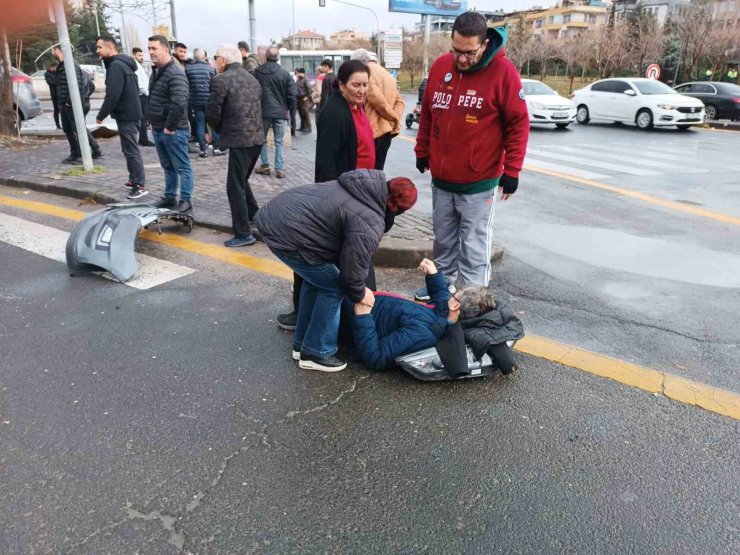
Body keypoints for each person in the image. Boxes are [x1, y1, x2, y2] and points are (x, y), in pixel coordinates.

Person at [414, 11, 529, 300]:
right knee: (444, 241)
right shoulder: (442, 66)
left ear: (484, 43)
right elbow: (428, 113)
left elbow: (518, 124)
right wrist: (422, 149)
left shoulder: (504, 73)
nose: (461, 59)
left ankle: (472, 298)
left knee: (475, 244)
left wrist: (512, 170)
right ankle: (441, 289)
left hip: (479, 181)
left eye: (468, 52)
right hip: (442, 179)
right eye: (456, 50)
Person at [255, 170, 418, 372]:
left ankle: (302, 344)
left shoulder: (362, 187)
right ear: (397, 209)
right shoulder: (369, 220)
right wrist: (360, 294)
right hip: (286, 234)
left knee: (316, 281)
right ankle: (316, 352)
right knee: (334, 287)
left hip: (276, 217)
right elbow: (353, 268)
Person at [275, 59, 376, 331]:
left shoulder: (357, 107)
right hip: (343, 197)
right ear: (341, 84)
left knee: (344, 257)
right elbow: (326, 164)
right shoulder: (335, 112)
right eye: (356, 85)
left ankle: (358, 314)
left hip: (360, 195)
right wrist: (334, 204)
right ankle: (305, 315)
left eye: (365, 84)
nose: (362, 90)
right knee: (318, 254)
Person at [346, 258, 461, 371]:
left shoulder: (422, 332)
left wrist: (363, 316)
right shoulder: (445, 315)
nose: (451, 295)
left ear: (455, 306)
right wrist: (434, 275)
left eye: (455, 295)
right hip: (367, 302)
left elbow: (376, 358)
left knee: (332, 277)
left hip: (352, 316)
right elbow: (441, 297)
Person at [207, 45, 264, 247]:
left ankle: (243, 233)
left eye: (215, 58)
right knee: (241, 180)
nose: (215, 62)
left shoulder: (221, 80)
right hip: (256, 139)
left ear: (223, 60)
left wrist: (217, 131)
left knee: (234, 186)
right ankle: (255, 216)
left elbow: (213, 112)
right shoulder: (252, 79)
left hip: (240, 140)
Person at [94, 36, 147, 199]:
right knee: (127, 149)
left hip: (127, 115)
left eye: (99, 47)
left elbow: (113, 95)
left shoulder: (116, 66)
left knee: (131, 150)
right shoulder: (122, 64)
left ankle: (139, 185)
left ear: (110, 49)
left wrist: (101, 115)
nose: (97, 51)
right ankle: (133, 180)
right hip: (128, 113)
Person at [147, 34, 193, 211]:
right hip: (159, 128)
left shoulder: (175, 73)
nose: (150, 52)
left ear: (165, 50)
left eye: (154, 48)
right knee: (167, 166)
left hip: (173, 130)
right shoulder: (157, 72)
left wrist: (169, 127)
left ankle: (186, 199)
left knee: (182, 166)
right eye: (149, 48)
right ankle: (169, 197)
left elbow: (180, 102)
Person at [350, 48, 405, 171]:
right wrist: (393, 121)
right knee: (378, 171)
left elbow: (377, 100)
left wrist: (394, 119)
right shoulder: (387, 74)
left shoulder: (365, 73)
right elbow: (400, 102)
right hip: (386, 132)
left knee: (366, 173)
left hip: (371, 132)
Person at [52, 45, 103, 165]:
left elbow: (78, 85)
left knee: (77, 129)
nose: (52, 53)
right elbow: (90, 85)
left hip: (71, 104)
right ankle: (85, 151)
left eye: (53, 50)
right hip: (66, 104)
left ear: (59, 50)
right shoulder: (63, 65)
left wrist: (70, 102)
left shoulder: (70, 65)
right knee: (71, 129)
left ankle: (81, 155)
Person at [254, 46, 296, 178]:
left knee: (262, 140)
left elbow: (253, 92)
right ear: (277, 57)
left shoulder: (257, 72)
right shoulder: (284, 74)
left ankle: (265, 165)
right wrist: (289, 111)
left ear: (266, 56)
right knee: (279, 141)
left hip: (263, 111)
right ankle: (279, 168)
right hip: (280, 112)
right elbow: (292, 95)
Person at [185, 48, 215, 158]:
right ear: (204, 57)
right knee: (213, 123)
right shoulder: (210, 69)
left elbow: (187, 85)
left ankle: (203, 149)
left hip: (196, 101)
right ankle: (216, 148)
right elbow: (214, 85)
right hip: (209, 100)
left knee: (200, 124)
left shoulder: (188, 69)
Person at [132, 47, 154, 147]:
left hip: (143, 94)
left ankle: (143, 138)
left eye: (142, 55)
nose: (142, 57)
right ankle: (143, 139)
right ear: (134, 55)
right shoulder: (135, 66)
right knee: (143, 118)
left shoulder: (138, 66)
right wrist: (146, 92)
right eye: (139, 55)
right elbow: (139, 83)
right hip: (142, 95)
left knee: (144, 119)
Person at [294, 67, 313, 132]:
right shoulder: (298, 80)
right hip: (299, 99)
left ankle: (309, 127)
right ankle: (302, 127)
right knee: (301, 113)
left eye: (299, 73)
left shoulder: (305, 80)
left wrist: (307, 97)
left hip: (304, 99)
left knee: (305, 113)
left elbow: (309, 89)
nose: (298, 74)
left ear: (302, 73)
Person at [44, 64, 61, 129]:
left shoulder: (57, 73)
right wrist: (58, 79)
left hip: (60, 94)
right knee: (56, 110)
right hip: (55, 95)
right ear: (52, 67)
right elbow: (51, 83)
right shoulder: (47, 74)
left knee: (62, 110)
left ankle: (63, 124)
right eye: (55, 67)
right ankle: (57, 125)